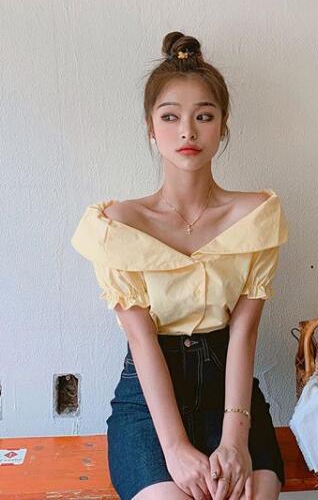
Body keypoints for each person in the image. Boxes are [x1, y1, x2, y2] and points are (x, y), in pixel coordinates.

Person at [71, 31, 289, 500]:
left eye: (203, 116)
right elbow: (140, 338)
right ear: (151, 128)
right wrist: (173, 448)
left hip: (230, 396)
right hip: (150, 402)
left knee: (254, 494)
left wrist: (235, 441)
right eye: (170, 117)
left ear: (222, 126)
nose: (187, 132)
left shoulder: (255, 216)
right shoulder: (117, 225)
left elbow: (245, 332)